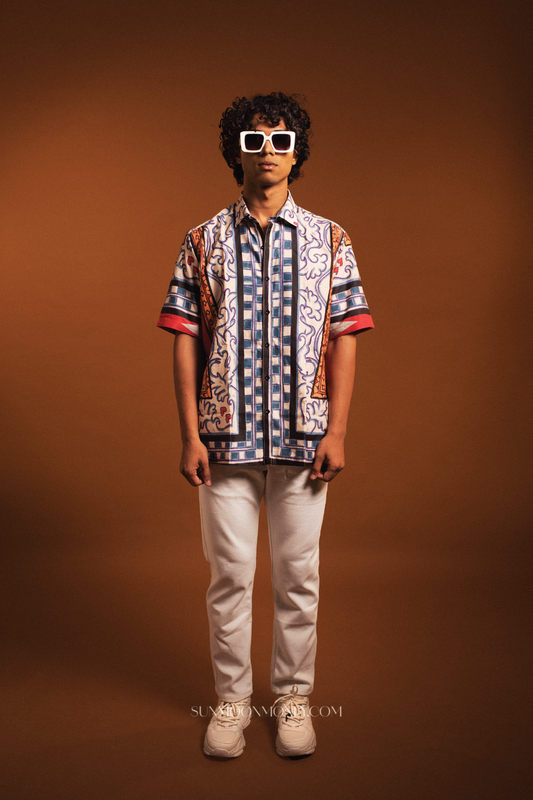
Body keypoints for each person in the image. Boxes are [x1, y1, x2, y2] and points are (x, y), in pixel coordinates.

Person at [157, 92, 373, 758]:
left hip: (305, 440)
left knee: (298, 577)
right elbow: (186, 338)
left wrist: (337, 431)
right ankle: (230, 702)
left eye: (281, 140)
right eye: (254, 141)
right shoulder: (202, 240)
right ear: (236, 152)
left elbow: (344, 337)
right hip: (224, 441)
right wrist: (190, 434)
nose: (269, 152)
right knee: (229, 576)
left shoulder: (331, 240)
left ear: (296, 151)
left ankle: (293, 700)